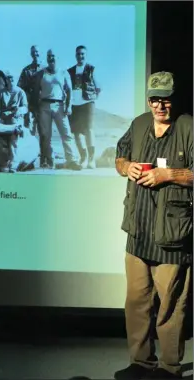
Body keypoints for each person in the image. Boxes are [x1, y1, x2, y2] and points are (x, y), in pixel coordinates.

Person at [114, 72, 193, 380]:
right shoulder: (138, 124)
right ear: (148, 99)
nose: (160, 106)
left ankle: (169, 368)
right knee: (136, 301)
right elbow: (120, 156)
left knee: (171, 306)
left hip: (172, 235)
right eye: (154, 100)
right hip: (139, 230)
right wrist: (126, 167)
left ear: (175, 98)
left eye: (166, 99)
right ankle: (140, 362)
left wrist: (169, 175)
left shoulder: (188, 128)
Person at [32, 49, 81, 170]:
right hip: (44, 106)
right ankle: (49, 161)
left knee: (66, 133)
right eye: (49, 56)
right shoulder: (41, 73)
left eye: (53, 56)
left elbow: (69, 90)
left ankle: (72, 160)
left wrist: (69, 106)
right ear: (47, 58)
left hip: (60, 106)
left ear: (57, 58)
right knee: (46, 135)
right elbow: (35, 91)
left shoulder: (63, 72)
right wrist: (35, 109)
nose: (51, 58)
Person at [0, 70, 28, 172]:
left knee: (14, 139)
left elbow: (25, 108)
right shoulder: (2, 92)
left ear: (15, 79)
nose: (10, 80)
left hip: (15, 119)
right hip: (4, 120)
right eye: (8, 78)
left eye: (12, 78)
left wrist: (17, 111)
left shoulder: (20, 92)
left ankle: (13, 164)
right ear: (6, 80)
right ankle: (13, 129)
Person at [67, 45, 101, 169]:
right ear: (75, 55)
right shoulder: (70, 71)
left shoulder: (91, 69)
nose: (80, 56)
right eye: (78, 54)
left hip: (87, 103)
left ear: (85, 55)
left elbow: (99, 87)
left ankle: (92, 159)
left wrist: (93, 97)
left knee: (88, 130)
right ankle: (83, 157)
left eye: (83, 54)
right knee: (76, 132)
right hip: (74, 104)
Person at [18, 45, 45, 136]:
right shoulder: (26, 70)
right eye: (33, 52)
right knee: (29, 130)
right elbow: (20, 88)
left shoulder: (46, 69)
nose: (35, 54)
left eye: (37, 52)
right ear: (31, 54)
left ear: (40, 53)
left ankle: (44, 150)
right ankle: (30, 149)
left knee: (44, 131)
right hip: (30, 105)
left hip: (43, 104)